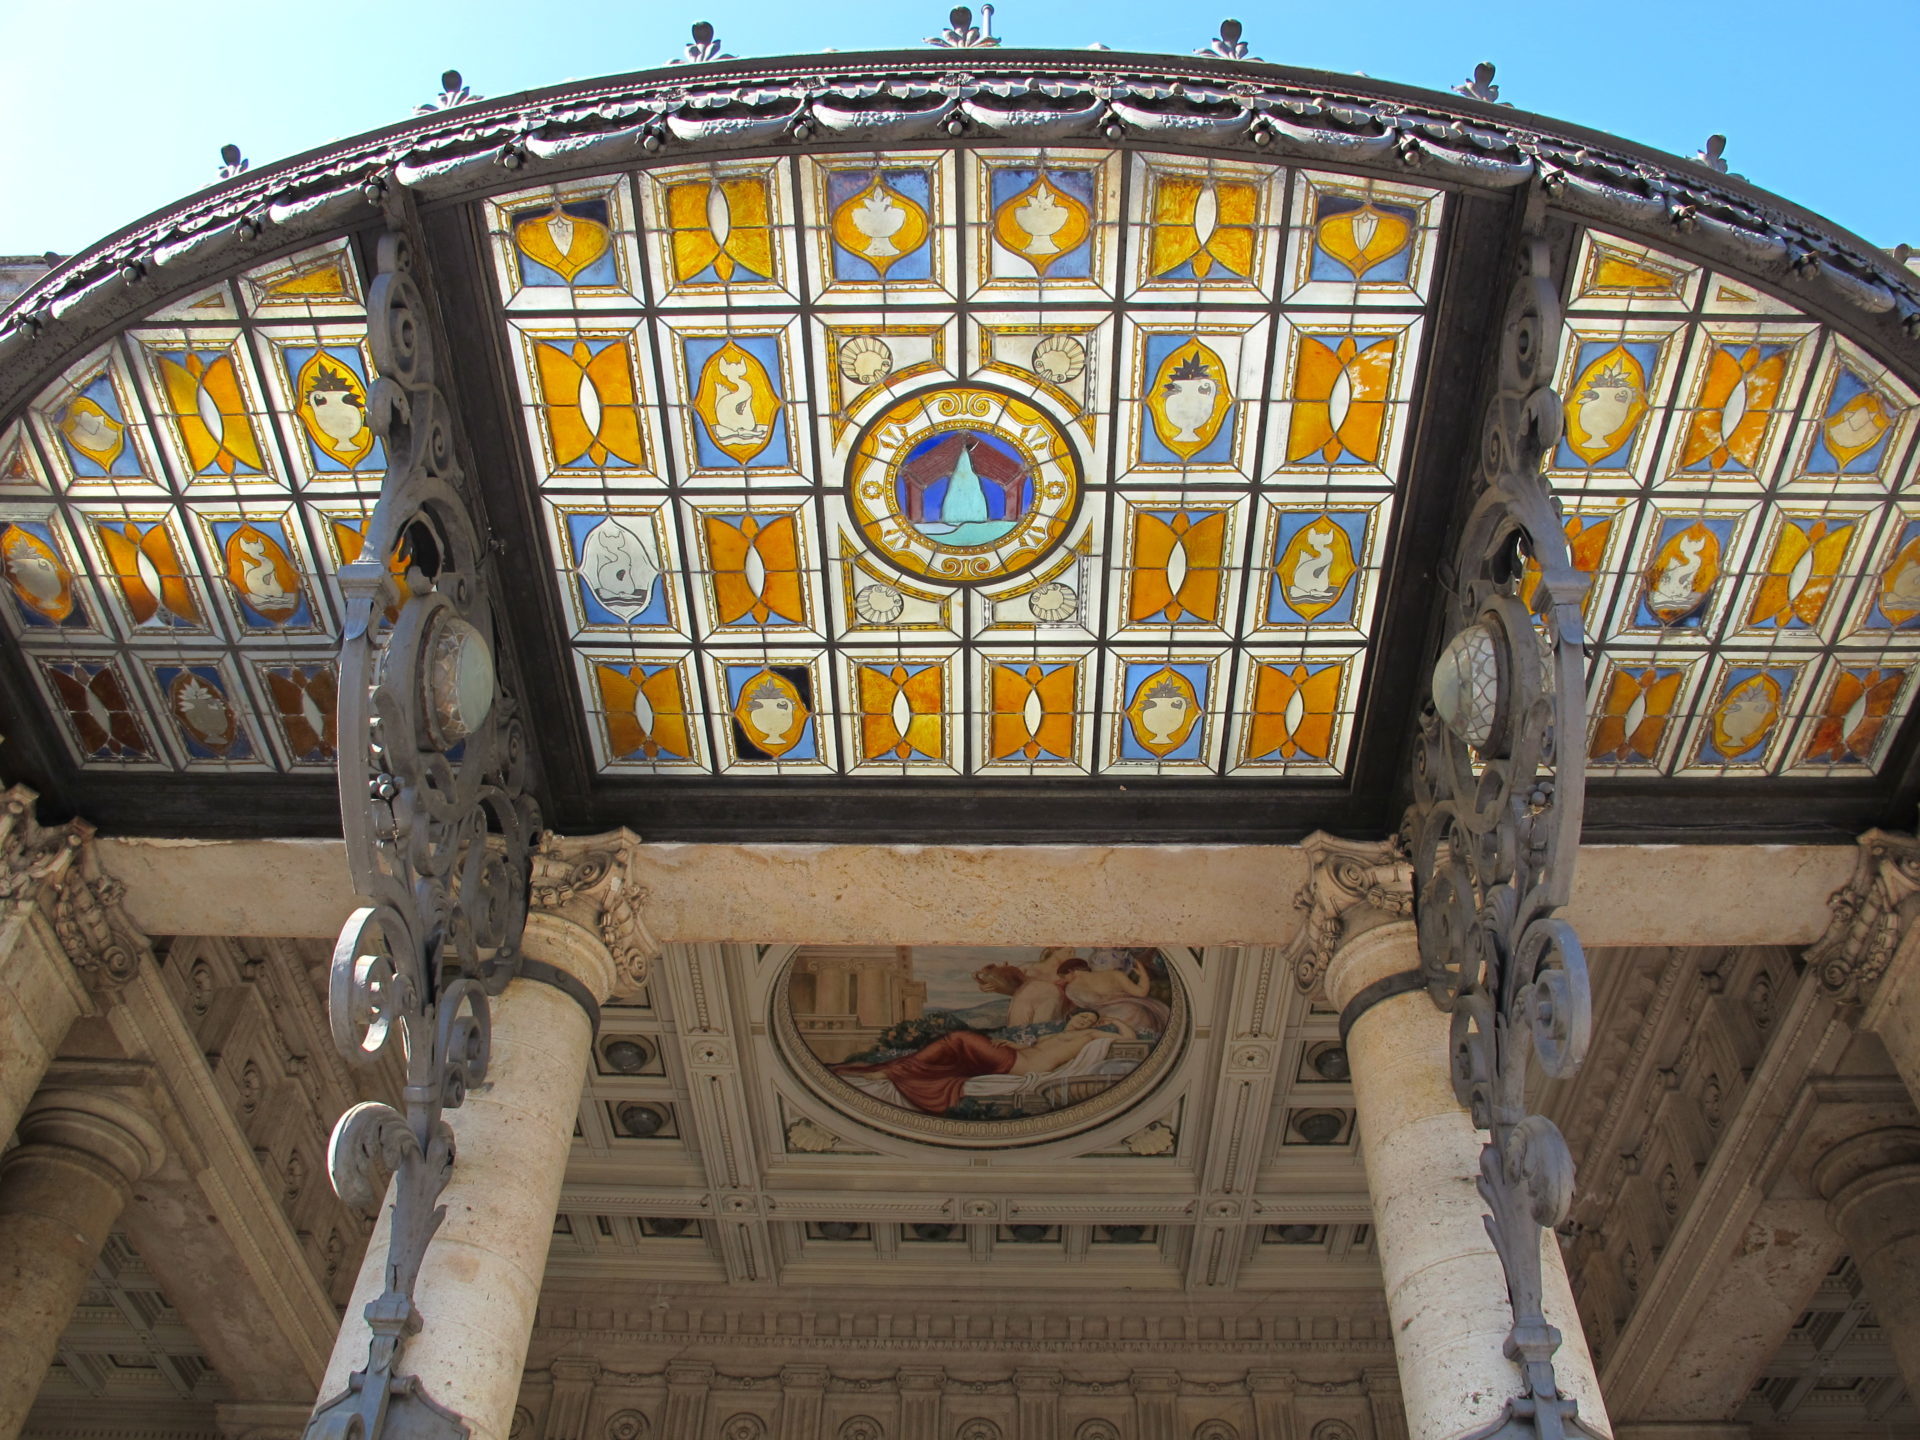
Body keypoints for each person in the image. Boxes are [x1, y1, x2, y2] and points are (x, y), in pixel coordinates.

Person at [833, 1011, 1134, 1116]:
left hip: (1021, 1067)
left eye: (1090, 1020)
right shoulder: (1053, 1035)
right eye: (1082, 1016)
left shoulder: (1088, 1036)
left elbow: (1129, 1040)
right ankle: (895, 1070)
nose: (1084, 1021)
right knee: (956, 1050)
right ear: (1072, 1016)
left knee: (958, 1039)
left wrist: (1116, 1022)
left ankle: (892, 1071)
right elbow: (1037, 1049)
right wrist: (1013, 1044)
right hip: (1015, 1057)